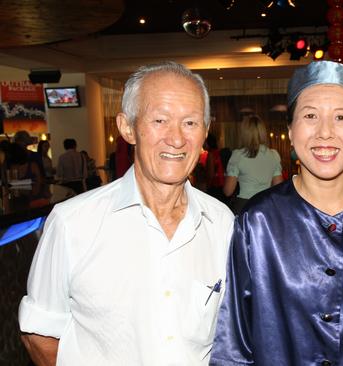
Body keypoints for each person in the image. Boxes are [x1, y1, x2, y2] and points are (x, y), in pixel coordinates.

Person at [19, 61, 234, 365]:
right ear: (128, 128)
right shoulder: (72, 222)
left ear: (205, 132)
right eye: (160, 120)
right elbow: (39, 334)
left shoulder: (222, 222)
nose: (176, 138)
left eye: (190, 123)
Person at [211, 61, 343, 366]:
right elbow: (234, 342)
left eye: (341, 117)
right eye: (310, 116)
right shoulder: (259, 222)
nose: (325, 132)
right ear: (290, 129)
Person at [223, 114, 283, 214]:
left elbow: (228, 191)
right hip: (266, 206)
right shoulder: (274, 155)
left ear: (244, 133)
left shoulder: (238, 155)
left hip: (244, 206)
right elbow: (279, 187)